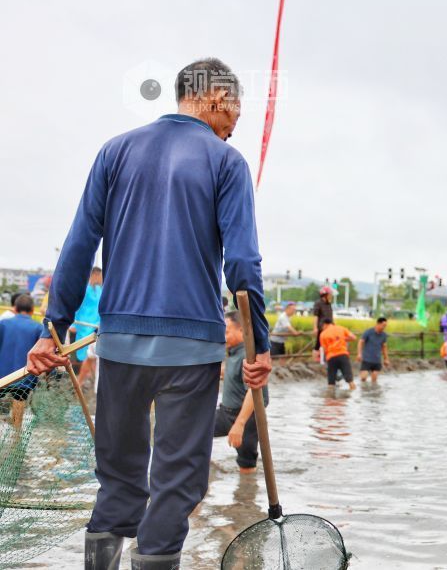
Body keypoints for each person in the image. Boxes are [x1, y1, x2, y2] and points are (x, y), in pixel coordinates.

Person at [26, 58, 272, 570]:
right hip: (192, 351)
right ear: (217, 99)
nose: (232, 130)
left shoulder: (115, 151)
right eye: (235, 117)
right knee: (176, 485)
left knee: (118, 479)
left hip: (119, 344)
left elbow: (78, 245)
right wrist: (260, 347)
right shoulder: (227, 164)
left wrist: (54, 329)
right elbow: (243, 263)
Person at [213, 311, 268, 473]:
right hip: (225, 412)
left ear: (242, 331)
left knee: (246, 467)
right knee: (196, 430)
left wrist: (239, 424)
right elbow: (230, 372)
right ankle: (204, 471)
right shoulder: (233, 351)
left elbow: (254, 390)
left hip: (247, 417)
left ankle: (246, 495)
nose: (224, 335)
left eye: (227, 331)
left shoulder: (248, 356)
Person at [0, 294, 43, 428]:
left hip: (2, 375)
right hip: (23, 375)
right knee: (19, 401)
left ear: (15, 309)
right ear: (31, 310)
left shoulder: (3, 324)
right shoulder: (38, 327)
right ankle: (17, 438)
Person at [71, 267, 102, 384]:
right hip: (84, 325)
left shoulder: (100, 289)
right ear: (94, 275)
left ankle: (88, 380)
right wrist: (73, 323)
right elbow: (76, 306)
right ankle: (82, 381)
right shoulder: (83, 289)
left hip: (97, 325)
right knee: (87, 354)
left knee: (92, 355)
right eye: (99, 275)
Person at [318, 317, 357, 389]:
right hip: (343, 355)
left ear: (325, 324)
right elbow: (353, 337)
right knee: (350, 380)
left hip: (331, 357)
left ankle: (330, 398)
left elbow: (324, 349)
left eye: (322, 326)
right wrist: (343, 339)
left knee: (331, 382)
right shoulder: (341, 328)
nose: (322, 328)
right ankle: (352, 397)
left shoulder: (322, 334)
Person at [358, 317, 390, 383]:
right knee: (363, 378)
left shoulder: (384, 335)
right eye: (383, 325)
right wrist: (359, 354)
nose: (384, 327)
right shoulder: (368, 332)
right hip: (367, 359)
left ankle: (373, 393)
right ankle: (363, 392)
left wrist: (386, 359)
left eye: (385, 326)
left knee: (374, 381)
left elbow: (384, 347)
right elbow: (360, 342)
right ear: (378, 324)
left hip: (377, 360)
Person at [312, 286, 335, 355]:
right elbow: (316, 316)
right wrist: (315, 327)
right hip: (322, 327)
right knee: (318, 344)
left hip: (330, 327)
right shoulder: (318, 303)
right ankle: (316, 360)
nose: (331, 296)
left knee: (328, 344)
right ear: (325, 295)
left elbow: (330, 315)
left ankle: (324, 359)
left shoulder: (329, 304)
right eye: (329, 294)